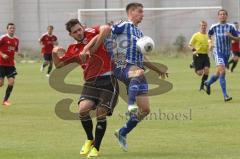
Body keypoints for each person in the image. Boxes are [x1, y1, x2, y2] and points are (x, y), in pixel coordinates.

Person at [52, 19, 119, 158]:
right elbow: (58, 65)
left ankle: (96, 148)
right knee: (82, 109)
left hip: (108, 79)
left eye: (79, 29)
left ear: (83, 27)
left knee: (101, 112)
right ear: (71, 35)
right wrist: (54, 52)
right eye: (75, 32)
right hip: (90, 83)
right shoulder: (73, 49)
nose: (79, 33)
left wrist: (89, 48)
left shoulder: (91, 32)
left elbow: (106, 28)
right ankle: (90, 139)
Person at [110, 3, 168, 151]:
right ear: (131, 12)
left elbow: (143, 59)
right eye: (140, 11)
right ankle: (130, 105)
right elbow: (107, 32)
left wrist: (158, 70)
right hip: (122, 65)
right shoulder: (124, 25)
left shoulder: (140, 34)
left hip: (137, 70)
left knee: (145, 110)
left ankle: (122, 132)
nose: (143, 14)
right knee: (138, 72)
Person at [205, 9, 239, 102]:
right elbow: (209, 35)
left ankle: (207, 83)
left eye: (224, 14)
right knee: (223, 72)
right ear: (218, 16)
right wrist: (210, 43)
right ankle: (225, 96)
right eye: (220, 14)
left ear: (227, 16)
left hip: (227, 53)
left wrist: (231, 36)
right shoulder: (214, 26)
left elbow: (237, 39)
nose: (222, 16)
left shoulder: (231, 27)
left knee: (218, 73)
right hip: (217, 51)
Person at [0, 23, 23, 106]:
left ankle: (5, 101)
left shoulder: (16, 40)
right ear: (7, 29)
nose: (12, 29)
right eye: (10, 28)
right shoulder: (3, 38)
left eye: (13, 28)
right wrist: (2, 55)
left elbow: (15, 50)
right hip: (1, 63)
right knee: (1, 83)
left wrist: (19, 53)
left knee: (11, 82)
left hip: (10, 64)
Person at [188, 21, 210, 91]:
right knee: (200, 73)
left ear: (206, 26)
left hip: (205, 55)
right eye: (202, 25)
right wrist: (193, 49)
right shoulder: (196, 35)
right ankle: (194, 64)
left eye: (204, 25)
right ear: (200, 26)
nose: (203, 27)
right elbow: (190, 44)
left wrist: (212, 47)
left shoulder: (208, 35)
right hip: (197, 55)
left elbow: (210, 44)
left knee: (206, 70)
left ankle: (202, 86)